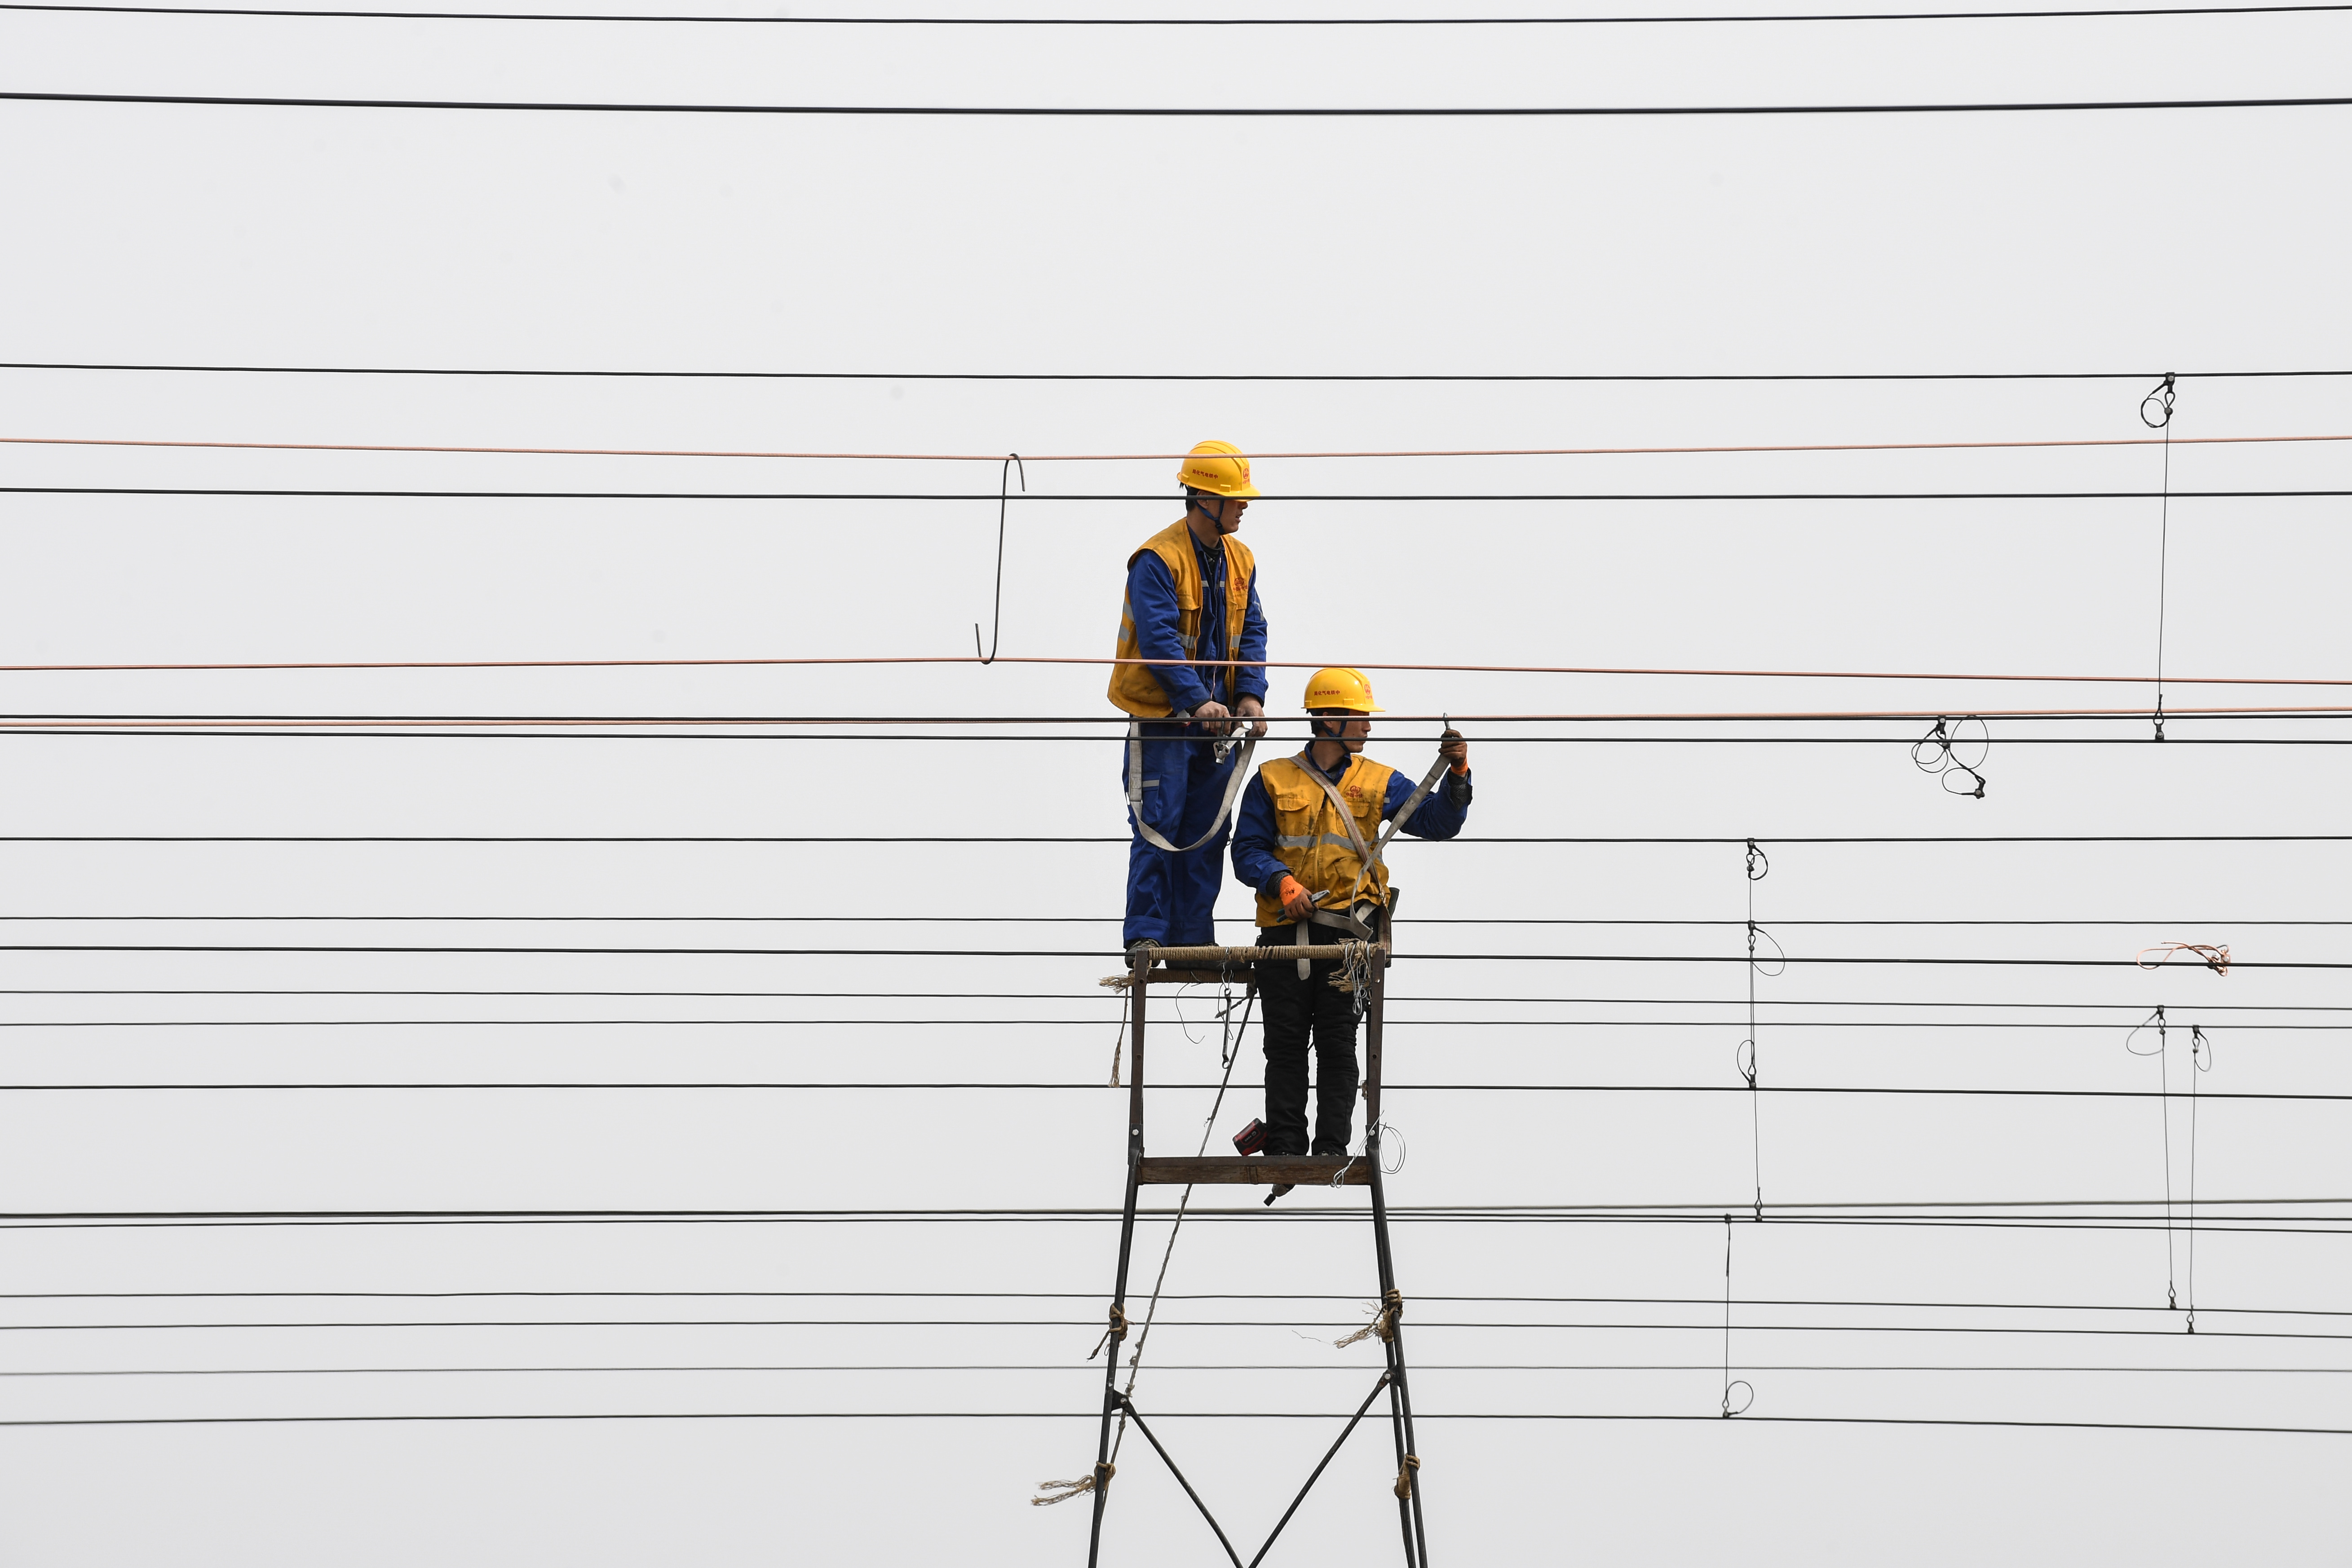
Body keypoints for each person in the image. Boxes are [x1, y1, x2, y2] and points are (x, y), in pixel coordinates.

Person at [1229, 667, 1472, 1160]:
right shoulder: (1273, 778)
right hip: (1283, 933)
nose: (1367, 726)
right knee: (1286, 1047)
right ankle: (1287, 1148)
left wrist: (1459, 773)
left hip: (1347, 936)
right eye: (1358, 717)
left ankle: (1330, 1150)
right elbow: (1247, 849)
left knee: (1338, 1045)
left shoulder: (1380, 779)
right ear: (1330, 719)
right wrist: (1283, 882)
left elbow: (1438, 822)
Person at [1108, 440, 1271, 958]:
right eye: (1235, 497)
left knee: (1206, 831)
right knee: (1160, 825)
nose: (1244, 505)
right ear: (1204, 499)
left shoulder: (1239, 558)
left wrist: (1248, 694)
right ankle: (1148, 935)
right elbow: (1157, 640)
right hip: (1164, 720)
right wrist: (1198, 700)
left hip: (1213, 724)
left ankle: (1192, 937)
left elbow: (1252, 630)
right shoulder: (1158, 559)